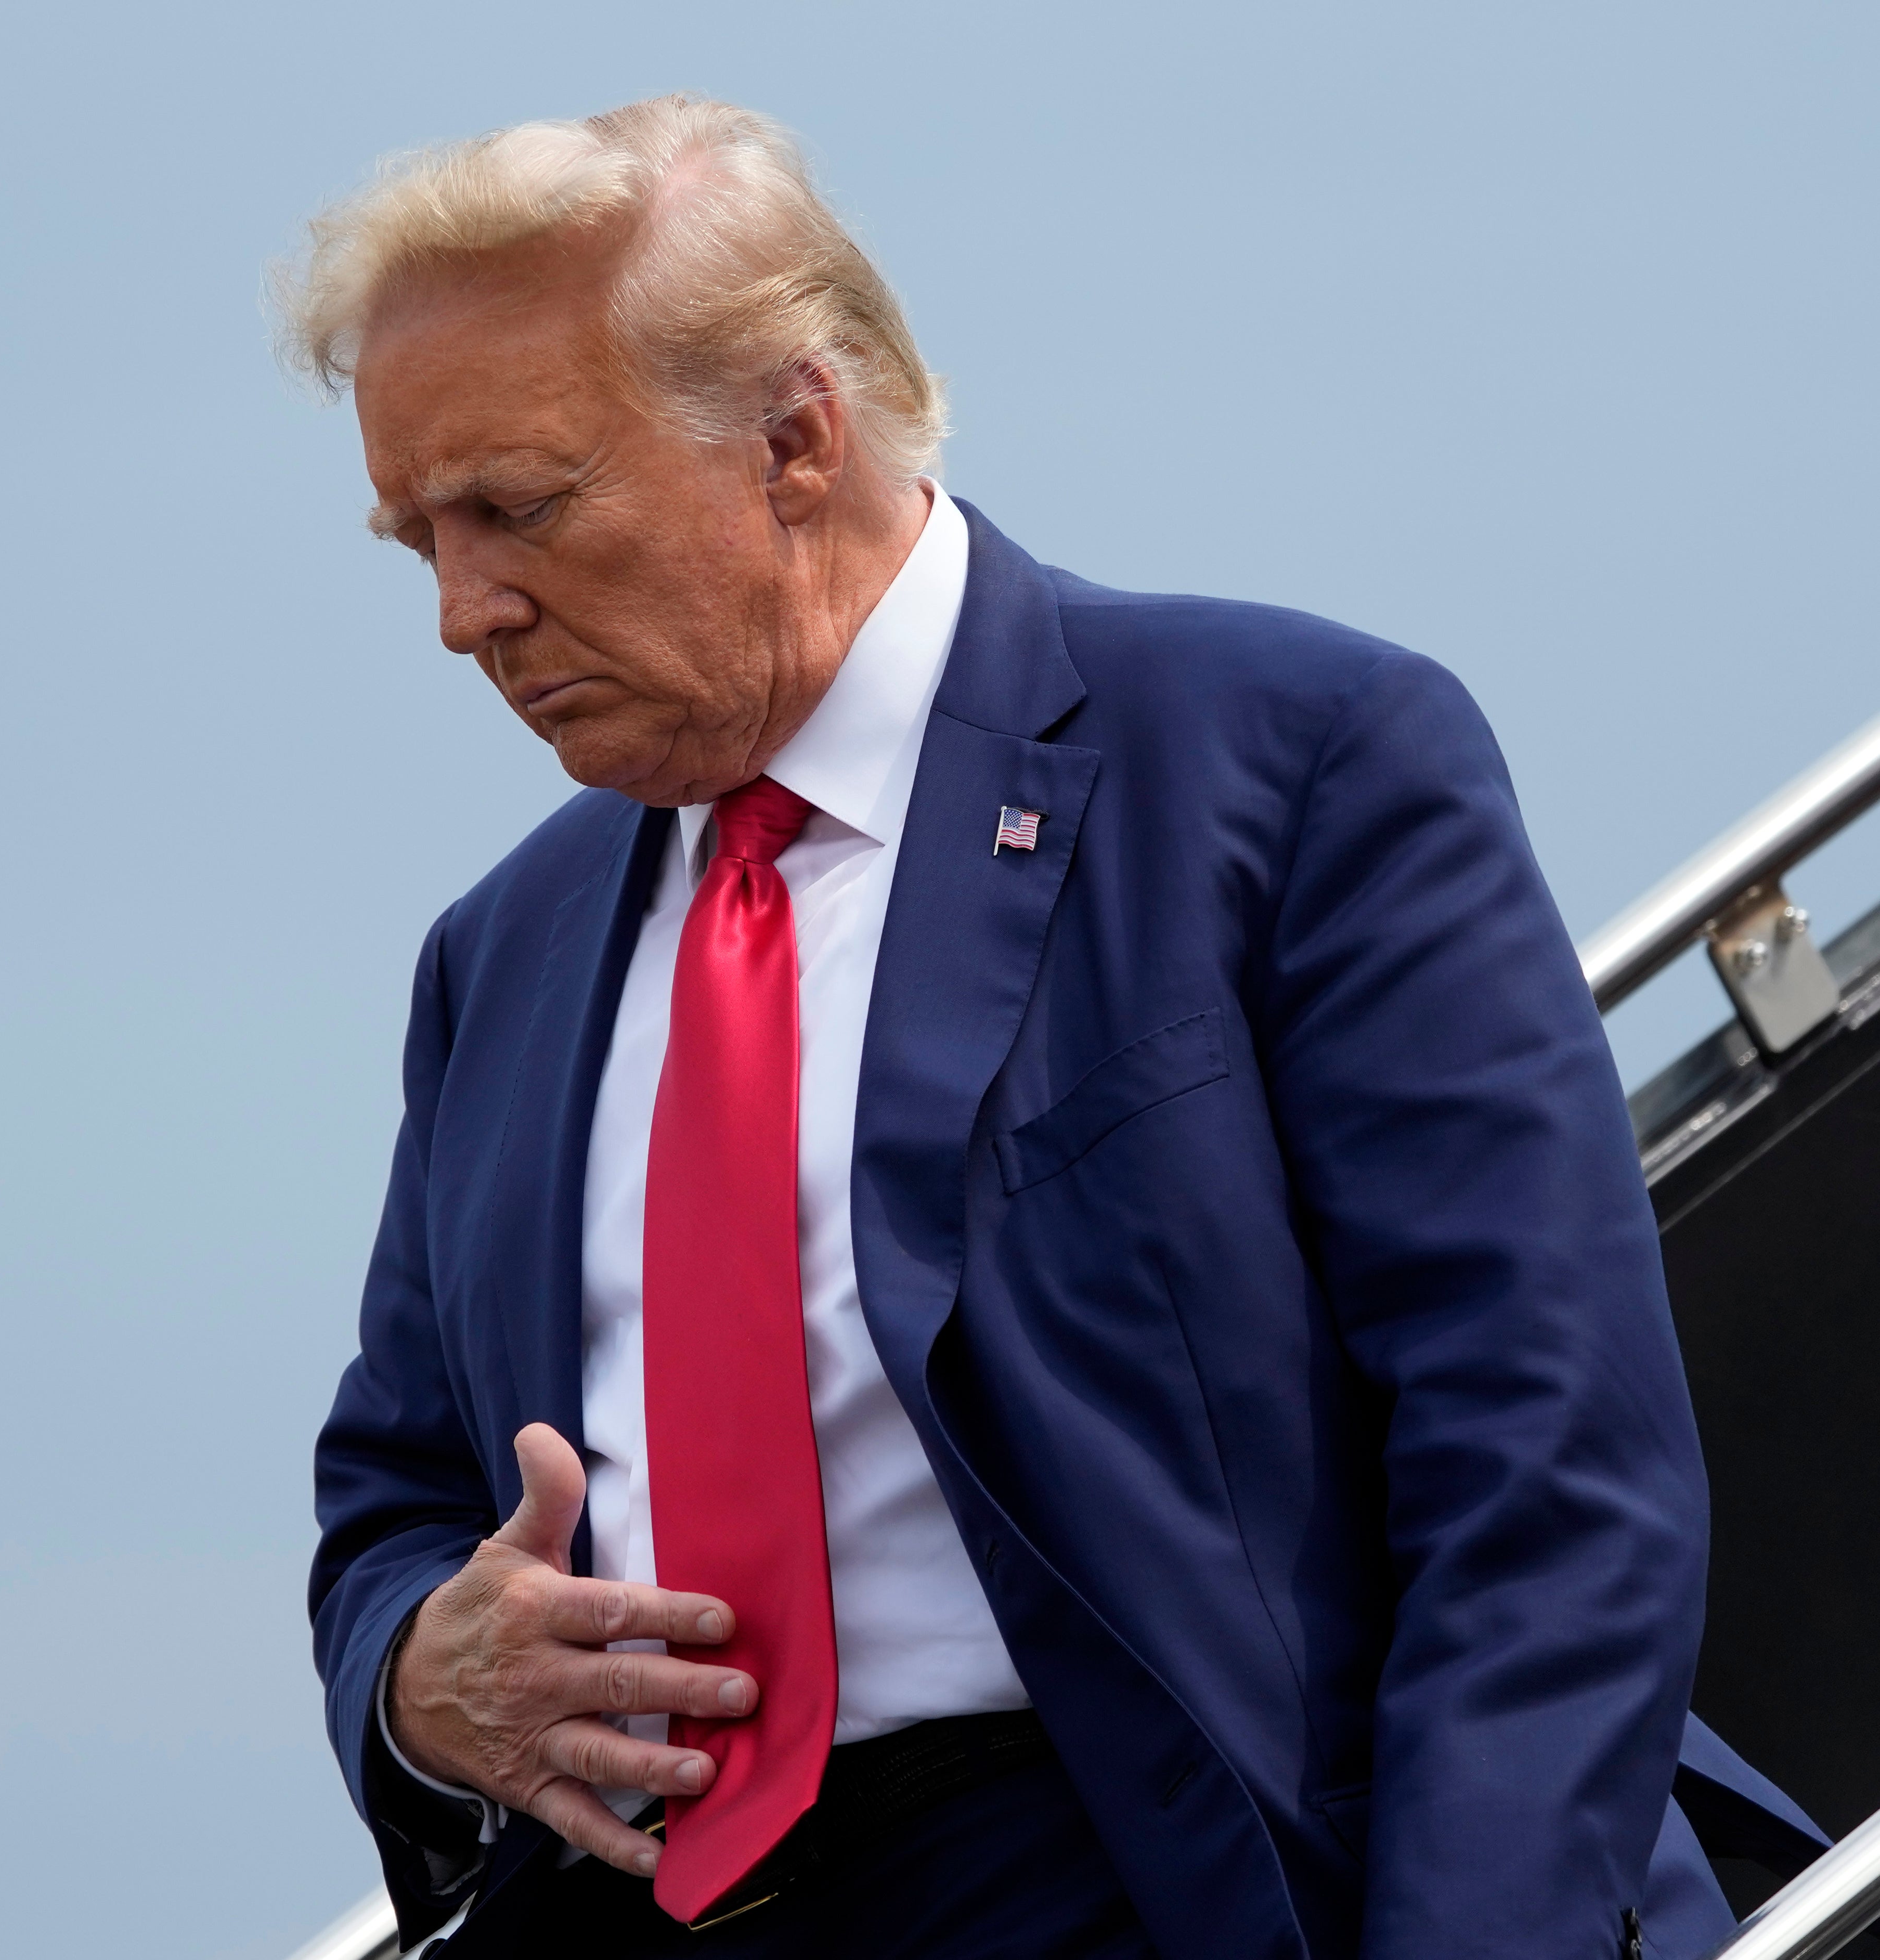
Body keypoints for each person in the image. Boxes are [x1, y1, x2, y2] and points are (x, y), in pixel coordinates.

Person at [289, 96, 1820, 1960]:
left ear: (793, 436)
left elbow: (1549, 1477)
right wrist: (418, 1679)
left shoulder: (1290, 761)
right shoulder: (500, 957)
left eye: (517, 509)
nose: (464, 613)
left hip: (1162, 1877)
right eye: (416, 539)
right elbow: (392, 1499)